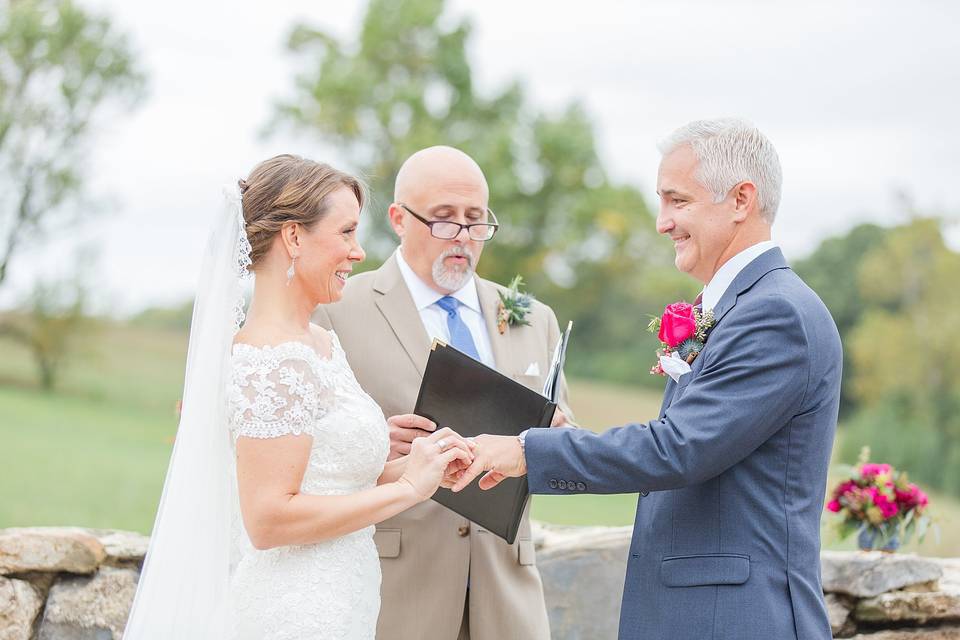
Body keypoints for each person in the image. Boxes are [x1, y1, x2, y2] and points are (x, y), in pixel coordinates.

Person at [454, 119, 842, 640]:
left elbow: (679, 448)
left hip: (737, 619)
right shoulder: (743, 306)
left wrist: (528, 450)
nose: (662, 222)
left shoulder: (775, 315)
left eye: (677, 201)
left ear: (741, 199)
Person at [124, 154, 473, 640]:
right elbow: (268, 518)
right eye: (346, 232)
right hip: (294, 612)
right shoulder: (272, 357)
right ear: (293, 237)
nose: (358, 252)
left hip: (345, 601)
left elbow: (330, 481)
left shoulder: (320, 343)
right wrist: (407, 489)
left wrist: (424, 467)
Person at [314, 145, 574, 640]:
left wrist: (556, 439)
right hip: (397, 587)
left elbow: (565, 452)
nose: (462, 237)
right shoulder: (337, 309)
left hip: (508, 592)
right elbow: (299, 450)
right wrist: (373, 443)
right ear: (398, 219)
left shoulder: (531, 316)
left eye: (476, 221)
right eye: (443, 219)